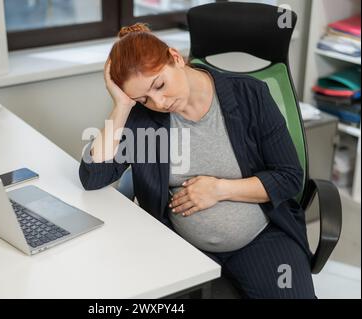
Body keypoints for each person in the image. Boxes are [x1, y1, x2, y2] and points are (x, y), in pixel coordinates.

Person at [79, 23, 315, 299]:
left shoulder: (251, 95)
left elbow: (288, 177)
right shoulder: (145, 119)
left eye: (159, 85)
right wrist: (122, 106)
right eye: (143, 98)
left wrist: (219, 189)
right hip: (182, 246)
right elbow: (93, 177)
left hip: (261, 238)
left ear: (176, 57)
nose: (158, 102)